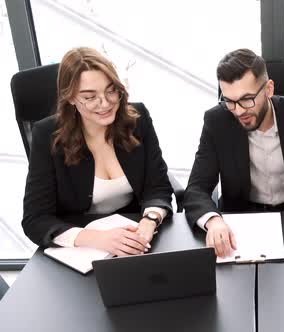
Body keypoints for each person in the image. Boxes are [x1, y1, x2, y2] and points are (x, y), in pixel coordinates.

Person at [184, 48, 284, 257]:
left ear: (269, 89)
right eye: (229, 101)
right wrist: (213, 221)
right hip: (243, 219)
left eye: (247, 99)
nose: (239, 110)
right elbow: (196, 188)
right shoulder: (217, 122)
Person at [22, 47, 173, 256]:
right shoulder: (47, 135)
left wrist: (149, 221)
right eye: (90, 96)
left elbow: (158, 186)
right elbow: (35, 219)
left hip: (135, 236)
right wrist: (96, 239)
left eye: (111, 90)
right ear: (71, 98)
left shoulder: (137, 119)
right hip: (82, 245)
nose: (105, 103)